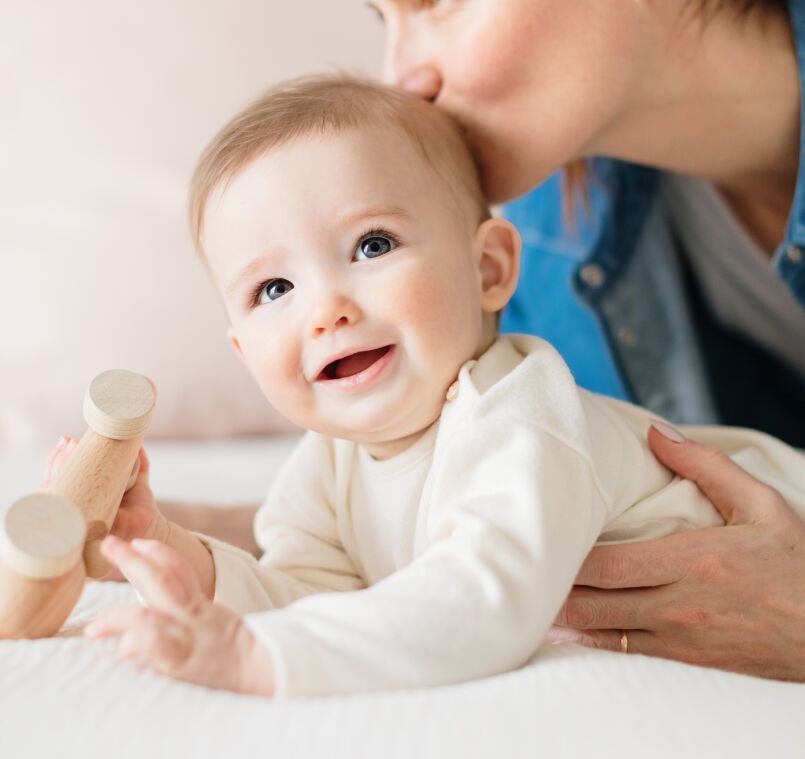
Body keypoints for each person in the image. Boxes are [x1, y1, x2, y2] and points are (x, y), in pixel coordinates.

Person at [317, 0, 805, 679]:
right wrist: (173, 529)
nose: (399, 78)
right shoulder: (531, 231)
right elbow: (445, 504)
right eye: (385, 15)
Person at [84, 77, 805, 697]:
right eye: (274, 288)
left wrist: (255, 659)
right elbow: (314, 599)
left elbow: (481, 604)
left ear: (488, 269)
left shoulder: (520, 413)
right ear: (244, 353)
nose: (324, 309)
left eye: (372, 246)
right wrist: (185, 560)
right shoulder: (328, 464)